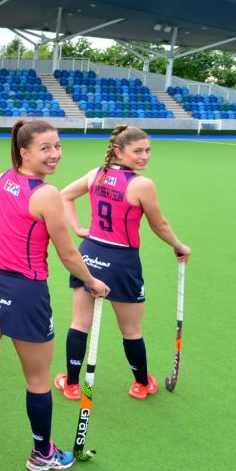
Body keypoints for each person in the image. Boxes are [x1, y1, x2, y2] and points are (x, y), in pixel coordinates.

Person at [0, 119, 110, 471]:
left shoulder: (4, 180)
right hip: (26, 294)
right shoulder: (46, 194)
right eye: (45, 148)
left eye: (57, 146)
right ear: (24, 152)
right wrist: (91, 282)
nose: (55, 154)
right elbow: (69, 253)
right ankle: (42, 454)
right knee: (38, 381)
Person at [54, 125, 191, 400]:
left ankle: (71, 383)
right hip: (122, 261)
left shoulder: (96, 174)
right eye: (137, 151)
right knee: (130, 329)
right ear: (119, 152)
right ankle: (142, 383)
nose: (144, 157)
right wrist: (179, 246)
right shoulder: (141, 184)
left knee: (80, 323)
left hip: (89, 253)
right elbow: (159, 224)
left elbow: (63, 195)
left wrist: (80, 228)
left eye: (148, 150)